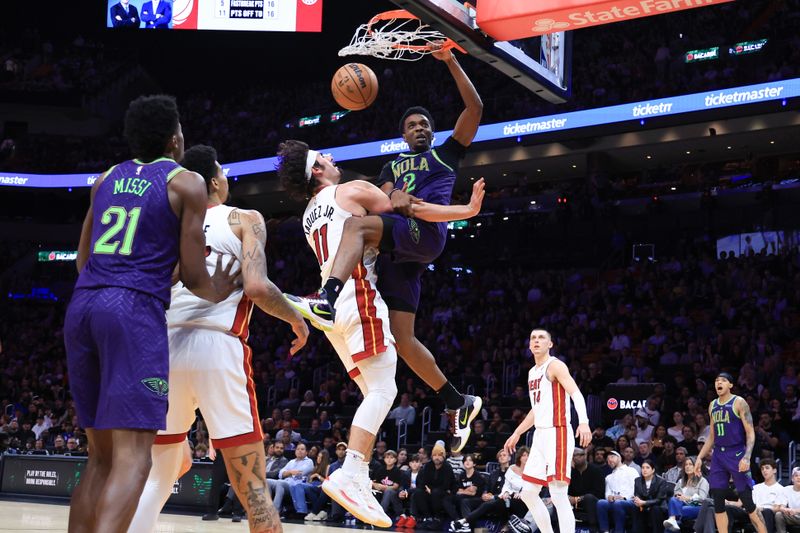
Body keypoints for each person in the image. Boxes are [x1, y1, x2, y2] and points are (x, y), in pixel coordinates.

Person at [284, 44, 484, 453]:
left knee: (358, 225)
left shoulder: (446, 156)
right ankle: (458, 403)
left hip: (422, 235)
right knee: (402, 339)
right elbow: (392, 200)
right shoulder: (391, 167)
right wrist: (398, 198)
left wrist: (450, 62)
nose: (420, 128)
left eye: (425, 123)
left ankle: (326, 297)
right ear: (403, 133)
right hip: (398, 252)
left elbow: (475, 108)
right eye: (412, 125)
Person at [276, 140, 485, 527]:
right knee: (384, 391)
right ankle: (351, 473)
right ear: (317, 171)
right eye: (325, 157)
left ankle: (356, 471)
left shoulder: (308, 214)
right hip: (357, 296)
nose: (332, 158)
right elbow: (412, 209)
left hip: (334, 315)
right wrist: (465, 212)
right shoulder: (350, 189)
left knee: (374, 390)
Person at [63, 95, 237, 533]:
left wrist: (155, 269)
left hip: (83, 306)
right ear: (175, 138)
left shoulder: (104, 180)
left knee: (98, 457)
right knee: (134, 456)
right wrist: (226, 288)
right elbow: (197, 278)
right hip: (132, 311)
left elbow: (83, 260)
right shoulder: (186, 183)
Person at [128, 145, 308, 533]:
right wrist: (296, 319)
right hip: (217, 348)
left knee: (160, 476)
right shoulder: (245, 218)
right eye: (224, 173)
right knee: (256, 492)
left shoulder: (170, 225)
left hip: (164, 350)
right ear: (214, 181)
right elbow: (257, 288)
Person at [503, 328, 592, 533]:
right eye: (533, 337)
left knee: (558, 492)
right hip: (540, 435)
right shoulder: (532, 372)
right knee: (528, 493)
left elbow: (576, 393)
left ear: (550, 344)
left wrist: (584, 422)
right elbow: (536, 410)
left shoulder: (555, 366)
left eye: (541, 337)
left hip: (558, 431)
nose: (536, 340)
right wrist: (517, 432)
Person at [694, 372, 767, 533]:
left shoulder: (739, 402)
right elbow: (712, 436)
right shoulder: (713, 405)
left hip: (737, 453)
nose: (718, 383)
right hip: (718, 455)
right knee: (718, 501)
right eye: (716, 380)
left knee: (747, 502)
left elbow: (750, 433)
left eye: (723, 380)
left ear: (730, 385)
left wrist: (747, 457)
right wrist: (699, 457)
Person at [450, 447, 530, 532]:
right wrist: (485, 493)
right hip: (491, 498)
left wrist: (494, 496)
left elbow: (512, 489)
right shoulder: (494, 473)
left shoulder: (513, 471)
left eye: (504, 455)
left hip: (502, 499)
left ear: (509, 458)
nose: (502, 457)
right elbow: (487, 486)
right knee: (465, 502)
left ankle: (466, 523)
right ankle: (469, 527)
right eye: (500, 456)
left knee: (495, 503)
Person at [413, 440, 456, 530]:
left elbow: (446, 486)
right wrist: (428, 489)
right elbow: (423, 482)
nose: (437, 458)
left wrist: (431, 489)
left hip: (444, 493)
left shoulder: (447, 467)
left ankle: (437, 518)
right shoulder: (428, 466)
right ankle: (427, 517)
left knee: (436, 492)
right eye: (435, 455)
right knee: (418, 492)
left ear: (443, 457)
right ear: (432, 456)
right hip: (430, 490)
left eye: (439, 455)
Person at [596, 451, 639, 533]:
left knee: (618, 503)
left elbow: (636, 488)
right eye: (607, 459)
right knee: (600, 502)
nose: (609, 461)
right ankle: (605, 531)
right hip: (615, 501)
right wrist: (609, 497)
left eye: (612, 457)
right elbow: (607, 493)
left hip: (630, 501)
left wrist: (624, 497)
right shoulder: (609, 477)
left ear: (619, 457)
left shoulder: (631, 470)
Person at [664, 455, 709, 531]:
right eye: (686, 465)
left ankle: (673, 518)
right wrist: (678, 496)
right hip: (681, 505)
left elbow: (703, 499)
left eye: (690, 464)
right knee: (673, 500)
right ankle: (673, 520)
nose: (687, 467)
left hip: (696, 506)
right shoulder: (680, 481)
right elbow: (675, 496)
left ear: (696, 466)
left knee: (676, 511)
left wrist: (687, 498)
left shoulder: (702, 481)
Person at [568, 447, 605, 532]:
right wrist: (568, 497)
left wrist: (578, 498)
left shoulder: (596, 470)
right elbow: (568, 489)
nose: (573, 458)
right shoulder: (571, 472)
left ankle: (594, 529)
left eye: (575, 455)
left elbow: (598, 492)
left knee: (589, 497)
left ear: (584, 456)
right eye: (572, 456)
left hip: (592, 500)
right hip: (574, 501)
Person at [632, 458, 669, 532]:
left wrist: (644, 502)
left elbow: (659, 500)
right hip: (643, 506)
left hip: (659, 506)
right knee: (635, 508)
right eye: (643, 468)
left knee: (655, 509)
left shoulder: (661, 481)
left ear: (653, 470)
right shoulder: (637, 480)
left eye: (647, 467)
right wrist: (637, 501)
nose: (644, 470)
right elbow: (637, 495)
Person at [751, 458, 788, 532]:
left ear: (774, 470)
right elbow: (752, 504)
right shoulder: (755, 488)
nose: (764, 470)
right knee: (730, 509)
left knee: (767, 512)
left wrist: (763, 509)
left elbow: (778, 508)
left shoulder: (782, 489)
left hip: (769, 515)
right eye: (762, 469)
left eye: (767, 468)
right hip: (754, 513)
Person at [776, 467, 800, 532]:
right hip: (792, 516)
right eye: (796, 475)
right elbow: (781, 507)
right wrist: (785, 509)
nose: (798, 477)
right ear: (792, 478)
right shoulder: (786, 489)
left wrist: (796, 511)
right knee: (779, 514)